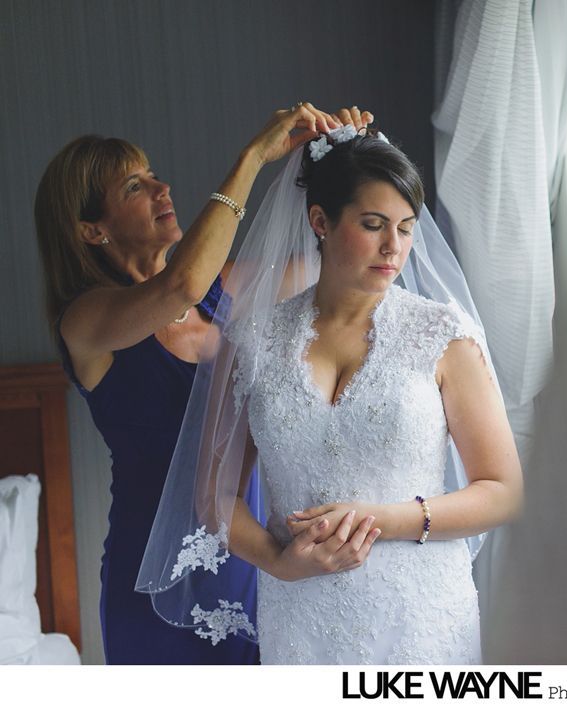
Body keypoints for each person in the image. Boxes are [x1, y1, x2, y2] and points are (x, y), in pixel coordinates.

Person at [138, 125, 523, 664]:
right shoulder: (252, 342)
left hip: (423, 615)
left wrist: (384, 520)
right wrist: (278, 562)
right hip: (301, 619)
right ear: (320, 221)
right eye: (373, 225)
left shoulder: (442, 335)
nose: (395, 247)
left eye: (406, 228)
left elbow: (502, 488)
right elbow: (215, 497)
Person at [34, 103, 374, 664]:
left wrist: (347, 157)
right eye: (134, 187)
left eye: (153, 175)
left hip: (255, 557)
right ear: (92, 229)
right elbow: (181, 286)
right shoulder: (87, 323)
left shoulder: (230, 289)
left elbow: (341, 257)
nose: (162, 188)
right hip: (152, 580)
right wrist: (254, 156)